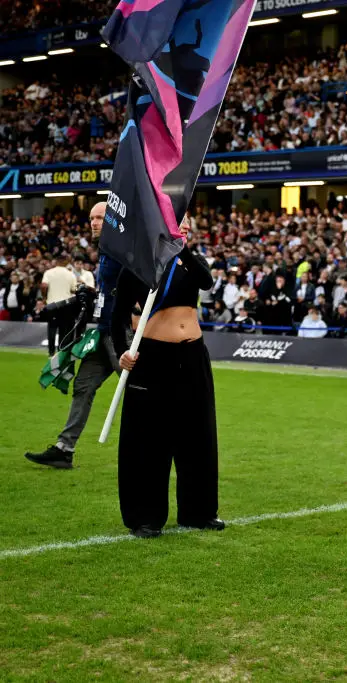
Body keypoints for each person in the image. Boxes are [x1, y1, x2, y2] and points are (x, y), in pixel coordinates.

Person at [112, 216, 223, 538]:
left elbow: (206, 282)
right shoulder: (138, 265)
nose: (186, 228)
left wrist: (182, 250)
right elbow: (116, 317)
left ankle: (199, 511)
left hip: (192, 355)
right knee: (148, 438)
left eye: (188, 225)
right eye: (179, 224)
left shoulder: (192, 262)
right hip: (151, 358)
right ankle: (145, 516)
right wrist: (123, 351)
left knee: (198, 435)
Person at [25, 203, 123, 469]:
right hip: (102, 331)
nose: (93, 222)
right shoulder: (104, 251)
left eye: (100, 218)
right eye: (91, 218)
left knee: (140, 389)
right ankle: (64, 449)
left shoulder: (123, 249)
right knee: (83, 387)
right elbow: (111, 291)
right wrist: (92, 296)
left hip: (118, 331)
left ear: (113, 220)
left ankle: (163, 446)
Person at [41, 252, 79, 356]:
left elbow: (44, 286)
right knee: (63, 329)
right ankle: (61, 351)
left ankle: (51, 352)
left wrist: (44, 297)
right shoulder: (70, 274)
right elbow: (74, 290)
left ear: (56, 261)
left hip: (52, 304)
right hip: (65, 305)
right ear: (65, 262)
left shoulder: (49, 272)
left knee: (52, 328)